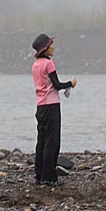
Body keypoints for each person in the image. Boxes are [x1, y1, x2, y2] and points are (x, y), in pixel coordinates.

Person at [31, 33, 77, 186]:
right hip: (52, 105)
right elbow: (57, 85)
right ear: (46, 48)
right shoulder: (49, 64)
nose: (53, 47)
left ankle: (39, 175)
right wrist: (70, 83)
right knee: (52, 141)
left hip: (40, 106)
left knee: (41, 141)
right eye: (51, 44)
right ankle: (49, 177)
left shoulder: (35, 65)